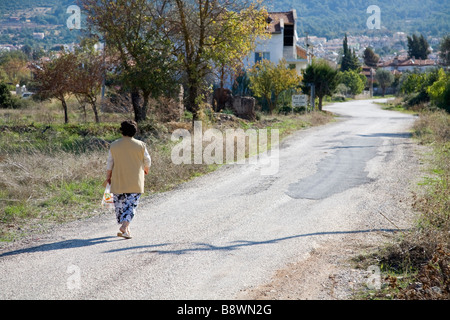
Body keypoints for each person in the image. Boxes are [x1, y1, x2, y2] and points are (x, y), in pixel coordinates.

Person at [105, 120, 151, 239]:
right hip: (135, 181)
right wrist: (146, 169)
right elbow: (148, 160)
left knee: (120, 206)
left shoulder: (114, 145)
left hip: (118, 179)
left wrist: (108, 177)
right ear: (134, 131)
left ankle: (125, 228)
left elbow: (109, 163)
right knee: (131, 205)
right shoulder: (141, 145)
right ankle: (125, 227)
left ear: (122, 131)